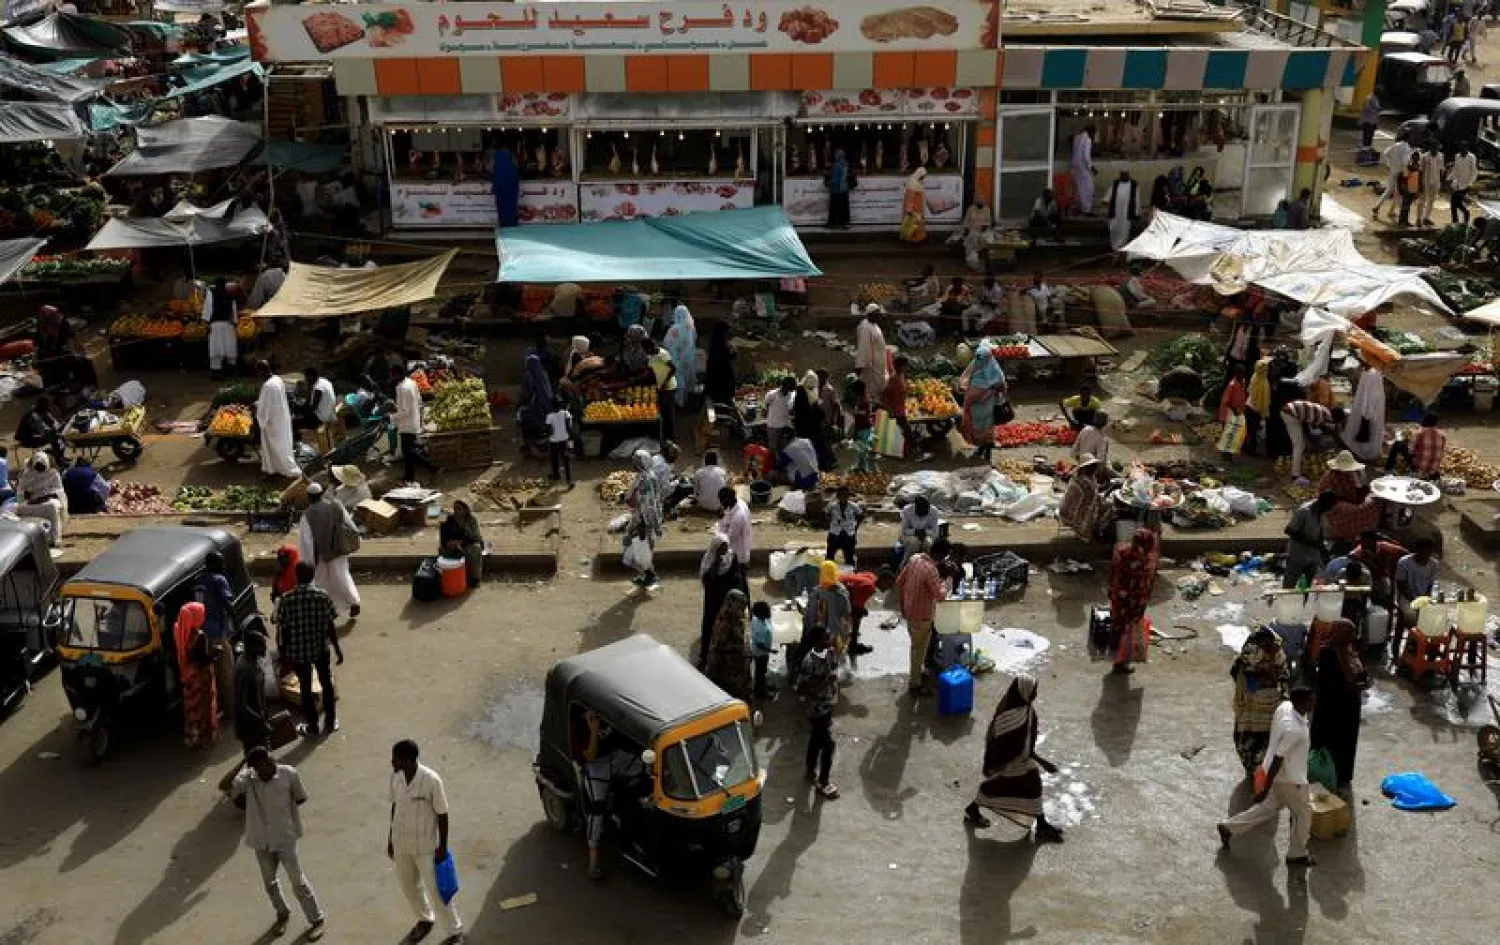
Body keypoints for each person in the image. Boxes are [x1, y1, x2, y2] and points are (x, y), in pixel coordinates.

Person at [231, 747, 326, 940]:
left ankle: (317, 919)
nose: (268, 767)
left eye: (269, 762)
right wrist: (242, 766)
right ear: (255, 769)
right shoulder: (248, 779)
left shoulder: (289, 774)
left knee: (297, 881)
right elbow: (226, 786)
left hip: (285, 838)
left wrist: (281, 816)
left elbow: (301, 797)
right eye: (262, 766)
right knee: (270, 883)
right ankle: (282, 914)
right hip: (261, 841)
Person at [1216, 687, 1317, 867]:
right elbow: (1279, 759)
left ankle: (1229, 827)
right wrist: (1265, 788)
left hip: (1278, 776)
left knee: (1265, 809)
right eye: (1310, 700)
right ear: (1300, 703)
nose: (1313, 702)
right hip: (1291, 781)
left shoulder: (1285, 707)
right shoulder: (1294, 730)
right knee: (1304, 816)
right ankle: (1297, 854)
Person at [964, 674, 1064, 843]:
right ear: (1024, 691)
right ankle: (1041, 826)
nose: (1036, 694)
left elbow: (1027, 746)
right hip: (1006, 762)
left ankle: (1041, 824)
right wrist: (1010, 764)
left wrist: (1042, 762)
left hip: (1022, 761)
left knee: (1030, 787)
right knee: (1005, 786)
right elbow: (999, 745)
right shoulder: (1007, 718)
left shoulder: (1029, 712)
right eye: (1034, 690)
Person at [388, 739, 462, 944]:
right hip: (401, 842)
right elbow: (394, 806)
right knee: (408, 885)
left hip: (427, 847)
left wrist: (443, 846)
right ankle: (425, 919)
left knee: (437, 890)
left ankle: (455, 932)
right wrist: (390, 839)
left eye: (396, 758)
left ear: (408, 760)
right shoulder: (396, 778)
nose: (392, 762)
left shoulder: (431, 780)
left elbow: (442, 814)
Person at [276, 562, 343, 738]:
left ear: (296, 576)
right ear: (313, 576)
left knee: (305, 688)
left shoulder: (286, 599)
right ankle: (330, 721)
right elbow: (330, 625)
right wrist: (337, 648)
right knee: (326, 683)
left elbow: (284, 630)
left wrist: (284, 653)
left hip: (298, 652)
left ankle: (312, 726)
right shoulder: (323, 596)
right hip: (320, 648)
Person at [1308, 618, 1368, 790]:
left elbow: (1362, 675)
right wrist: (1354, 681)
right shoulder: (1329, 652)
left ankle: (1342, 775)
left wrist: (1360, 681)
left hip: (1349, 707)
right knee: (1330, 742)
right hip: (1332, 708)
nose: (1353, 636)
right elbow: (1340, 680)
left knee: (1346, 741)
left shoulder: (1349, 650)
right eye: (1350, 633)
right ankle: (1325, 773)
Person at [1230, 627, 1289, 776]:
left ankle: (1261, 771)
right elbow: (1237, 671)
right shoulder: (1249, 655)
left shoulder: (1278, 654)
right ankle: (1254, 771)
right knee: (1249, 738)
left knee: (1265, 738)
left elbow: (1284, 677)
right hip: (1251, 706)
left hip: (1267, 706)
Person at [298, 483, 361, 620]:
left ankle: (327, 609)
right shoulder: (336, 505)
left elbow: (306, 541)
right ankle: (353, 602)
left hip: (321, 555)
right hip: (339, 550)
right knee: (342, 576)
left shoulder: (307, 515)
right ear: (321, 494)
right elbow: (349, 524)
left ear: (308, 497)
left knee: (322, 582)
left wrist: (308, 562)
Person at [895, 538, 949, 695]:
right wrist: (947, 582)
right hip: (923, 615)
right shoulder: (931, 570)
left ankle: (918, 672)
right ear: (940, 554)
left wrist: (903, 605)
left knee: (917, 646)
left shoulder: (915, 559)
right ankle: (915, 684)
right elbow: (940, 596)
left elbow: (900, 582)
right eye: (945, 555)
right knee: (918, 649)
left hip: (910, 612)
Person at [797, 624, 841, 799]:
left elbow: (835, 669)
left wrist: (834, 686)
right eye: (825, 636)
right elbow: (802, 690)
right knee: (829, 745)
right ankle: (824, 782)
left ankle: (809, 772)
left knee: (816, 740)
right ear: (816, 640)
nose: (829, 638)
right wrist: (824, 682)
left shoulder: (830, 653)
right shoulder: (808, 662)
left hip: (828, 704)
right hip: (816, 709)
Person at [1108, 527, 1159, 674]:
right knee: (1128, 631)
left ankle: (1114, 653)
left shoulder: (1121, 551)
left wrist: (1112, 591)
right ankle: (1120, 663)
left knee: (1117, 625)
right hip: (1133, 602)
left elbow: (1113, 573)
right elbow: (1144, 585)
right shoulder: (1145, 562)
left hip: (1118, 596)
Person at [196, 550, 237, 720]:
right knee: (226, 672)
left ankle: (213, 709)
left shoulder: (198, 580)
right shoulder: (219, 580)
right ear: (214, 564)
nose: (223, 566)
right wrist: (235, 615)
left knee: (208, 674)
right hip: (217, 633)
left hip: (201, 632)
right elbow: (226, 602)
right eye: (220, 563)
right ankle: (231, 711)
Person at [174, 602, 217, 749]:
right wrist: (215, 654)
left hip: (185, 675)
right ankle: (203, 737)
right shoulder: (199, 636)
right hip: (199, 677)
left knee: (190, 708)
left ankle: (191, 737)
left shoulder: (178, 629)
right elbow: (203, 659)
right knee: (202, 706)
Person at [959, 342, 1006, 462]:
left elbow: (1001, 384)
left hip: (986, 405)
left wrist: (989, 391)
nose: (980, 360)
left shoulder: (994, 368)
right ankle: (980, 448)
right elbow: (965, 377)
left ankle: (987, 451)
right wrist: (965, 386)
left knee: (987, 427)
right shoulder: (976, 362)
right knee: (977, 426)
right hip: (975, 405)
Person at [704, 589, 753, 701]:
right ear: (731, 603)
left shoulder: (735, 618)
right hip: (725, 666)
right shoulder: (724, 622)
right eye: (740, 605)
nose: (743, 608)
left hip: (735, 663)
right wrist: (739, 648)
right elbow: (718, 646)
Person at [1393, 538, 1439, 652]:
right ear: (1417, 550)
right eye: (1424, 552)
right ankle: (1397, 649)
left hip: (1422, 597)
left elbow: (1430, 585)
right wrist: (1414, 600)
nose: (1426, 555)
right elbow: (1401, 585)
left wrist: (1425, 599)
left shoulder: (1433, 564)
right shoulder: (1404, 562)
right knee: (1407, 620)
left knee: (1431, 621)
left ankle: (1417, 649)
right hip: (1406, 597)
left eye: (1429, 552)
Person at [256, 363, 301, 479]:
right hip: (281, 418)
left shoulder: (267, 386)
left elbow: (265, 407)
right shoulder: (277, 379)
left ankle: (273, 471)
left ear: (262, 370)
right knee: (282, 446)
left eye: (258, 371)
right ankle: (278, 469)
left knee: (272, 447)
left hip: (272, 422)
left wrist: (260, 417)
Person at [1284, 491, 1337, 589]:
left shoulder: (1321, 512)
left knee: (1307, 586)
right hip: (1297, 555)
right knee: (1289, 585)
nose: (1329, 510)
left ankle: (1304, 603)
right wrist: (1313, 543)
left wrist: (1324, 554)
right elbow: (1289, 530)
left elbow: (1320, 533)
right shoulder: (1304, 511)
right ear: (1322, 502)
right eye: (1329, 507)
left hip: (1313, 557)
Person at [624, 450, 662, 589]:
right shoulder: (649, 475)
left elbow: (648, 505)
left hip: (644, 520)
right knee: (644, 548)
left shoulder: (644, 480)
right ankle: (646, 574)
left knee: (640, 548)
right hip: (646, 518)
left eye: (636, 462)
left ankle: (648, 574)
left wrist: (643, 525)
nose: (633, 464)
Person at [35, 304, 94, 391]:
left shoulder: (62, 323)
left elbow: (70, 339)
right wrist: (38, 356)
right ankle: (56, 381)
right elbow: (39, 344)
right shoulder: (40, 326)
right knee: (45, 363)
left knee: (75, 360)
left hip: (61, 349)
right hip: (48, 351)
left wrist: (74, 352)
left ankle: (75, 381)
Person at [393, 366, 436, 485]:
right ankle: (409, 476)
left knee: (409, 451)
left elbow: (405, 411)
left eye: (393, 375)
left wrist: (392, 416)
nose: (392, 378)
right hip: (413, 421)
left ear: (397, 375)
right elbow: (419, 400)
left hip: (407, 424)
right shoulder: (411, 382)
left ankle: (431, 467)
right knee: (408, 452)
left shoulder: (403, 388)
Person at [1281, 399, 1342, 481]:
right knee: (1299, 446)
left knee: (1301, 444)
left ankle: (1298, 470)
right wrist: (1308, 441)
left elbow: (1310, 424)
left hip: (1292, 412)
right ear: (1335, 419)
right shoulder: (1323, 415)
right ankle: (1295, 475)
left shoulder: (1324, 411)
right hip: (1290, 414)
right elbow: (1308, 426)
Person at [16, 453, 65, 547]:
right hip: (31, 502)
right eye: (37, 466)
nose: (39, 470)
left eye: (42, 467)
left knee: (52, 507)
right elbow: (19, 493)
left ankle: (55, 539)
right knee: (14, 509)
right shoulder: (27, 473)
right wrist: (27, 495)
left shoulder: (53, 473)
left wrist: (45, 497)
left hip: (49, 499)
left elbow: (59, 490)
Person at [235, 631, 271, 757]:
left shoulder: (255, 661)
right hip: (250, 727)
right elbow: (241, 705)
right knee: (257, 762)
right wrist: (260, 721)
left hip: (258, 721)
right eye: (261, 645)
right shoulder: (244, 669)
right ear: (251, 647)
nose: (265, 648)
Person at [1342, 366, 1385, 465]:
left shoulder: (1373, 374)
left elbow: (1370, 396)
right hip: (1366, 410)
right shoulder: (1368, 373)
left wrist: (1366, 414)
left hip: (1370, 411)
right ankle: (1362, 453)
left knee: (1370, 432)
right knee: (1365, 431)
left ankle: (1366, 454)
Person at [1385, 412, 1446, 478]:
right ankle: (1429, 473)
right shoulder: (1442, 436)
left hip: (1419, 468)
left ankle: (1387, 469)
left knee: (1397, 444)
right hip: (1434, 470)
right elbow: (1439, 451)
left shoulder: (1419, 434)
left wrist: (1408, 442)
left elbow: (1410, 451)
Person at [438, 500, 484, 587]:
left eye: (459, 509)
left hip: (468, 544)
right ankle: (450, 578)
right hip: (453, 544)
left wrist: (461, 542)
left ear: (465, 510)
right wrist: (448, 543)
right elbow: (443, 536)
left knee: (475, 548)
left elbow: (475, 537)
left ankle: (474, 578)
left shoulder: (471, 520)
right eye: (454, 508)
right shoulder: (449, 519)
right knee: (441, 549)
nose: (456, 511)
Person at [661, 304, 697, 410]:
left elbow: (666, 343)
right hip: (687, 358)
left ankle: (677, 403)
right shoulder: (690, 327)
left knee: (677, 378)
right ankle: (683, 401)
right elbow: (692, 342)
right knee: (684, 377)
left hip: (675, 357)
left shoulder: (674, 328)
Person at [1372, 133, 1412, 221]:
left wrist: (1389, 164)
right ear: (1409, 138)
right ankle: (1380, 207)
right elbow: (1405, 162)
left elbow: (1386, 153)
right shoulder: (1406, 148)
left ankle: (1386, 209)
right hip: (1400, 174)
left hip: (1392, 171)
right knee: (1399, 193)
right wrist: (1406, 174)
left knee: (1390, 190)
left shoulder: (1396, 145)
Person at [205, 276, 239, 374]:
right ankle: (230, 370)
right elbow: (234, 311)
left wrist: (207, 322)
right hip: (228, 324)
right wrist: (235, 322)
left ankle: (216, 371)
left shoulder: (211, 294)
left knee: (216, 348)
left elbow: (208, 308)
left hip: (215, 325)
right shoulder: (230, 295)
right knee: (229, 347)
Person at [855, 305, 888, 402]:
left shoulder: (873, 324)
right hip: (872, 362)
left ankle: (876, 399)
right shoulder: (866, 327)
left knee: (879, 381)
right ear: (870, 315)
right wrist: (861, 365)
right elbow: (864, 348)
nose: (879, 316)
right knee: (872, 384)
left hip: (879, 359)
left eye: (879, 314)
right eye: (876, 314)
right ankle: (872, 402)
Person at [826, 485, 863, 566]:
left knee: (849, 558)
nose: (843, 497)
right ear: (837, 496)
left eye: (845, 495)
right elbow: (827, 514)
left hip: (849, 534)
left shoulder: (854, 506)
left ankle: (850, 575)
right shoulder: (832, 506)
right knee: (829, 557)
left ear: (848, 496)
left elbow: (860, 515)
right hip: (835, 533)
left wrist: (855, 527)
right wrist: (830, 523)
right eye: (841, 495)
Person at [881, 355, 910, 454]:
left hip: (900, 409)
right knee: (906, 431)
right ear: (900, 366)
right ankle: (903, 451)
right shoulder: (893, 379)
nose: (907, 368)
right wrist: (889, 410)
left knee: (903, 431)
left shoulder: (901, 376)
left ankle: (903, 451)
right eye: (905, 366)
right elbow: (884, 395)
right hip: (896, 410)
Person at [542, 395, 573, 487]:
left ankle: (556, 476)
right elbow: (569, 428)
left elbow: (549, 430)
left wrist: (546, 435)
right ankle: (569, 481)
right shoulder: (566, 413)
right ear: (560, 404)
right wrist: (571, 441)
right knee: (566, 461)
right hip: (564, 441)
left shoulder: (549, 416)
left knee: (554, 460)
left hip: (553, 442)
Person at [704, 321, 737, 407]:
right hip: (723, 378)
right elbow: (731, 356)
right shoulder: (723, 344)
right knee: (724, 398)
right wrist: (733, 349)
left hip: (713, 378)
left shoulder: (714, 342)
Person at [1105, 170, 1139, 251]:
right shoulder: (1115, 183)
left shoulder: (1134, 184)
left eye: (1125, 175)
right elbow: (1109, 193)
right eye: (1122, 175)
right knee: (1113, 228)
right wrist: (1106, 200)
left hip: (1126, 211)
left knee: (1124, 229)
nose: (1123, 176)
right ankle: (1114, 247)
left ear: (1128, 175)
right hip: (1115, 210)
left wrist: (1136, 212)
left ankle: (1122, 248)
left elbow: (1137, 199)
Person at [299, 368, 337, 437]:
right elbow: (311, 399)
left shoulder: (318, 388)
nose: (306, 380)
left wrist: (300, 410)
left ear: (311, 376)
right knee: (303, 411)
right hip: (331, 413)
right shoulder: (324, 381)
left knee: (296, 422)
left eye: (307, 377)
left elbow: (313, 407)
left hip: (322, 418)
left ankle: (298, 441)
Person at [763, 376, 796, 452]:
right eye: (792, 386)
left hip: (786, 425)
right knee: (773, 448)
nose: (793, 388)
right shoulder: (771, 394)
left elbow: (790, 409)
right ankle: (773, 462)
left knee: (785, 448)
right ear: (785, 385)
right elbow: (766, 407)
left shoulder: (791, 395)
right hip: (773, 425)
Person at [750, 600, 775, 698]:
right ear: (761, 613)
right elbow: (760, 644)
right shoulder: (759, 626)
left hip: (761, 653)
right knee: (760, 673)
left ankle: (759, 688)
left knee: (761, 672)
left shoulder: (758, 620)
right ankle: (760, 692)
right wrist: (770, 650)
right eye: (768, 611)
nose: (770, 612)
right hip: (761, 653)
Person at [1450, 142, 1478, 225]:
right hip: (1457, 183)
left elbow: (1474, 172)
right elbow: (1455, 169)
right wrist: (1449, 178)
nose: (1462, 149)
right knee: (1454, 203)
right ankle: (1456, 220)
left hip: (1466, 184)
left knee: (1456, 202)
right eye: (1461, 147)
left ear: (1467, 148)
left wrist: (1470, 184)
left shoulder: (1471, 157)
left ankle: (1464, 216)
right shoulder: (1457, 156)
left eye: (1464, 147)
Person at [1071, 124, 1096, 214]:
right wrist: (1091, 167)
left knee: (1079, 187)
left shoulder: (1077, 137)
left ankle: (1078, 207)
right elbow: (1086, 156)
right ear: (1092, 132)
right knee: (1089, 188)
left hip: (1075, 166)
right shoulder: (1087, 139)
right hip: (1083, 167)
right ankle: (1087, 209)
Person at [492, 146, 520, 227]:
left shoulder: (497, 167)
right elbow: (516, 182)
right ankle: (511, 224)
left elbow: (495, 182)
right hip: (511, 194)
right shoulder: (512, 167)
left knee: (502, 209)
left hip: (501, 193)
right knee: (510, 209)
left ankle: (504, 224)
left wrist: (495, 189)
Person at [825, 149, 854, 228]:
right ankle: (844, 223)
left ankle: (834, 223)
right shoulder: (845, 165)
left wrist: (828, 183)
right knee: (842, 208)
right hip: (842, 189)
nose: (837, 156)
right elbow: (851, 177)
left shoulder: (837, 165)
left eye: (838, 155)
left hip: (837, 189)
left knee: (835, 207)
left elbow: (835, 179)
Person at [1418, 147, 1445, 227]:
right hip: (1426, 181)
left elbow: (1441, 170)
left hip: (1436, 182)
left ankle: (1426, 218)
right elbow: (1421, 170)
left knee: (1432, 201)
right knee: (1422, 201)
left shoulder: (1440, 156)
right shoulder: (1424, 156)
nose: (1435, 150)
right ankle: (1419, 219)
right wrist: (1420, 183)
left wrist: (1441, 182)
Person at [899, 167, 928, 244]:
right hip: (914, 208)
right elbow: (909, 198)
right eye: (923, 176)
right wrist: (909, 209)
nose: (924, 177)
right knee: (912, 224)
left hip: (917, 207)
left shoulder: (915, 181)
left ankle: (916, 239)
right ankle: (912, 240)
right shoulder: (912, 183)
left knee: (916, 224)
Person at [1396, 153, 1421, 228]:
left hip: (1414, 188)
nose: (1415, 159)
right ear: (1412, 158)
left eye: (1417, 158)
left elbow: (1419, 179)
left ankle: (1405, 221)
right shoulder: (1408, 167)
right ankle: (1401, 222)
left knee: (1408, 206)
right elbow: (1404, 178)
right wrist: (1403, 188)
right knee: (1405, 206)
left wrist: (1418, 190)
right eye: (1414, 158)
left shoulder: (1418, 167)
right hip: (1408, 188)